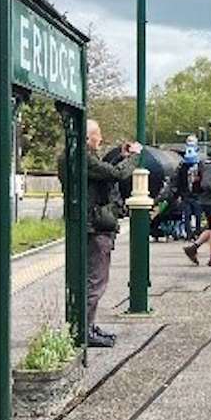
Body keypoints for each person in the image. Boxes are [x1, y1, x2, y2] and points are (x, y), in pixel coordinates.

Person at [82, 120, 140, 347]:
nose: (101, 138)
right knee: (95, 280)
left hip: (93, 224)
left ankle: (88, 326)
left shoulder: (82, 157)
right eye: (98, 135)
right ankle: (84, 331)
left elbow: (104, 169)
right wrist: (135, 156)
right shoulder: (84, 159)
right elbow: (116, 174)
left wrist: (119, 154)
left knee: (95, 279)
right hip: (95, 226)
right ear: (88, 138)